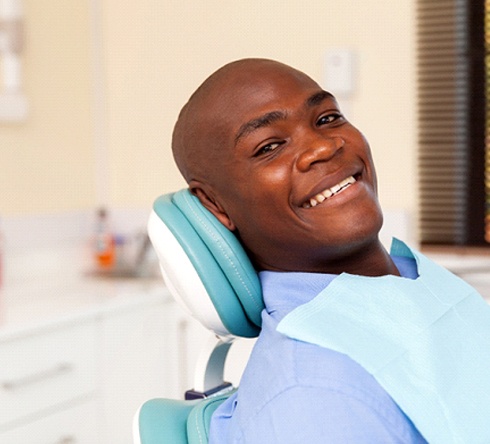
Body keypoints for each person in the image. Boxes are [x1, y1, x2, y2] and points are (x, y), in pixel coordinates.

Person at [171, 58, 490, 443]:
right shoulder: (314, 394)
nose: (322, 147)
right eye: (269, 147)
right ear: (215, 205)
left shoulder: (413, 277)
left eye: (326, 118)